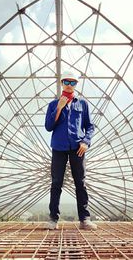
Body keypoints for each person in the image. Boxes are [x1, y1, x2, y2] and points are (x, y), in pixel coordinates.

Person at [45, 70, 97, 230]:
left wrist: (86, 142)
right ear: (61, 83)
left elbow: (90, 126)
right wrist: (59, 108)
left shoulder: (82, 104)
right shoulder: (53, 105)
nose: (69, 85)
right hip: (58, 147)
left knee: (80, 183)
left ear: (76, 85)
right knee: (56, 183)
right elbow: (48, 127)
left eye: (72, 82)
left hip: (77, 148)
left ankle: (84, 219)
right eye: (66, 82)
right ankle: (53, 219)